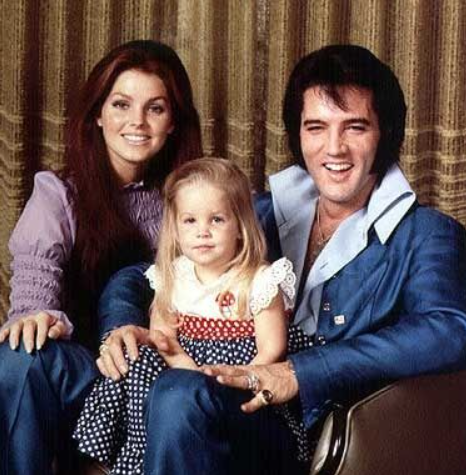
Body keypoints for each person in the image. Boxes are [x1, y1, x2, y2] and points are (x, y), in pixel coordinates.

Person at [95, 44, 466, 474]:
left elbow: (450, 328)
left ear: (384, 134)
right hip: (230, 404)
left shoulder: (425, 232)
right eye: (316, 127)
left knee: (181, 393)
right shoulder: (261, 213)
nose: (334, 148)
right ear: (298, 135)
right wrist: (121, 327)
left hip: (318, 432)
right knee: (141, 385)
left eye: (355, 127)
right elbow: (140, 275)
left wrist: (301, 371)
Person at [0, 39, 202, 475]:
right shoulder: (59, 195)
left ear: (174, 123)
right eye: (122, 105)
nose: (137, 123)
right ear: (97, 116)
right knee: (18, 357)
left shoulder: (193, 201)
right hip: (83, 371)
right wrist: (38, 317)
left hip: (159, 372)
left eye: (156, 109)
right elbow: (35, 295)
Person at [73, 157, 309, 474]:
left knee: (184, 394)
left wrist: (227, 376)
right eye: (190, 221)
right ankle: (123, 457)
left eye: (216, 220)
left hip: (235, 382)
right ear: (176, 228)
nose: (202, 232)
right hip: (180, 367)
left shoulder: (259, 280)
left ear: (240, 226)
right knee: (139, 359)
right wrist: (186, 366)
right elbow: (163, 337)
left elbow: (272, 348)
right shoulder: (174, 276)